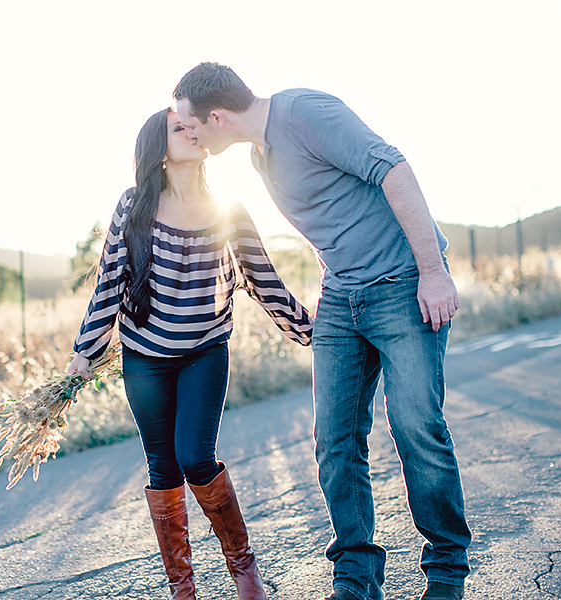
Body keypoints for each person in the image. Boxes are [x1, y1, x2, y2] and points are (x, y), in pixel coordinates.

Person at [172, 63, 471, 600]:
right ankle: (356, 578)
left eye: (190, 124)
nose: (188, 134)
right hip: (342, 299)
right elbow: (328, 219)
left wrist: (432, 271)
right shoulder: (259, 154)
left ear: (216, 116)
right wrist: (333, 284)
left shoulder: (304, 111)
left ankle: (447, 572)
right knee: (334, 440)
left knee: (415, 427)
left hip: (403, 284)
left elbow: (395, 170)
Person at [66, 107, 312, 600]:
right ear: (160, 148)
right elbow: (109, 282)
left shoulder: (229, 210)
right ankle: (183, 587)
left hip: (204, 351)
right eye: (180, 127)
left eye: (193, 125)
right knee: (163, 469)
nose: (192, 131)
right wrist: (84, 353)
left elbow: (263, 280)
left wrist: (312, 330)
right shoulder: (133, 205)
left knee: (196, 458)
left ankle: (243, 568)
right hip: (144, 359)